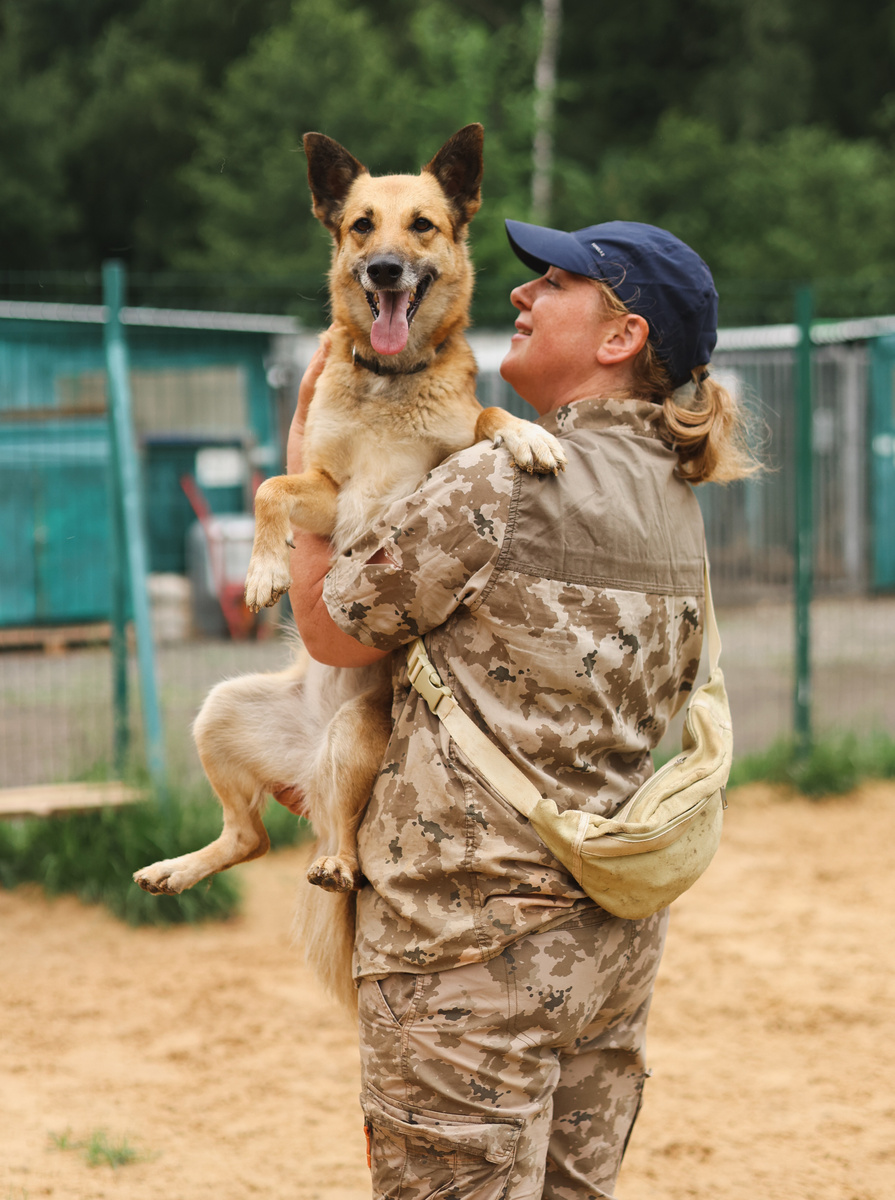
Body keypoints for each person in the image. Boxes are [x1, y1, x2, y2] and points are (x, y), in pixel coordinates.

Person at [282, 219, 754, 1200]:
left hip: (465, 959)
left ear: (619, 339)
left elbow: (334, 633)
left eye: (553, 283)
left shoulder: (498, 479)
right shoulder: (675, 493)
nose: (517, 297)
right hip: (609, 956)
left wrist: (302, 463)